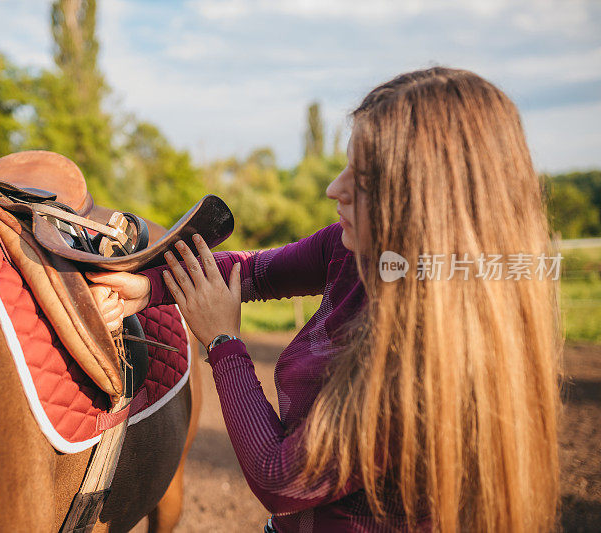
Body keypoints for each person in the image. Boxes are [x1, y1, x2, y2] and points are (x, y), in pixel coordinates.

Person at [87, 67, 561, 532]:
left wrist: (223, 342)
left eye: (366, 180)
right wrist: (150, 286)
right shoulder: (359, 249)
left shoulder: (426, 360)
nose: (334, 188)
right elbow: (255, 271)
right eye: (346, 165)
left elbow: (280, 477)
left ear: (429, 206)